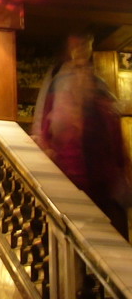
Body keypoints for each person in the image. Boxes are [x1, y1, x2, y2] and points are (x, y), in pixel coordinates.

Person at [31, 32, 132, 239]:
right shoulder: (57, 88)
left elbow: (117, 150)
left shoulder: (101, 103)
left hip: (103, 194)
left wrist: (122, 180)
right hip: (69, 191)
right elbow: (44, 130)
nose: (81, 76)